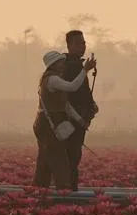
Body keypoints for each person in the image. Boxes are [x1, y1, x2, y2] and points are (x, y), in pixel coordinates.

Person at [33, 50, 96, 190]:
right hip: (48, 124)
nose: (63, 64)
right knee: (58, 157)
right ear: (53, 65)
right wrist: (85, 70)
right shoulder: (52, 79)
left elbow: (65, 105)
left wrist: (80, 120)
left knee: (44, 158)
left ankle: (39, 187)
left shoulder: (54, 78)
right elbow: (73, 87)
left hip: (46, 123)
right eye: (60, 62)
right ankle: (64, 189)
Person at [57, 30, 99, 190]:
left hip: (81, 119)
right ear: (69, 46)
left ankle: (70, 189)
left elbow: (83, 91)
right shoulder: (68, 67)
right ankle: (69, 191)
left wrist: (91, 105)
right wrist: (80, 118)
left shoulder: (79, 65)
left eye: (84, 43)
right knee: (71, 158)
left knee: (75, 157)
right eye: (79, 43)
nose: (83, 46)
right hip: (71, 120)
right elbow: (69, 93)